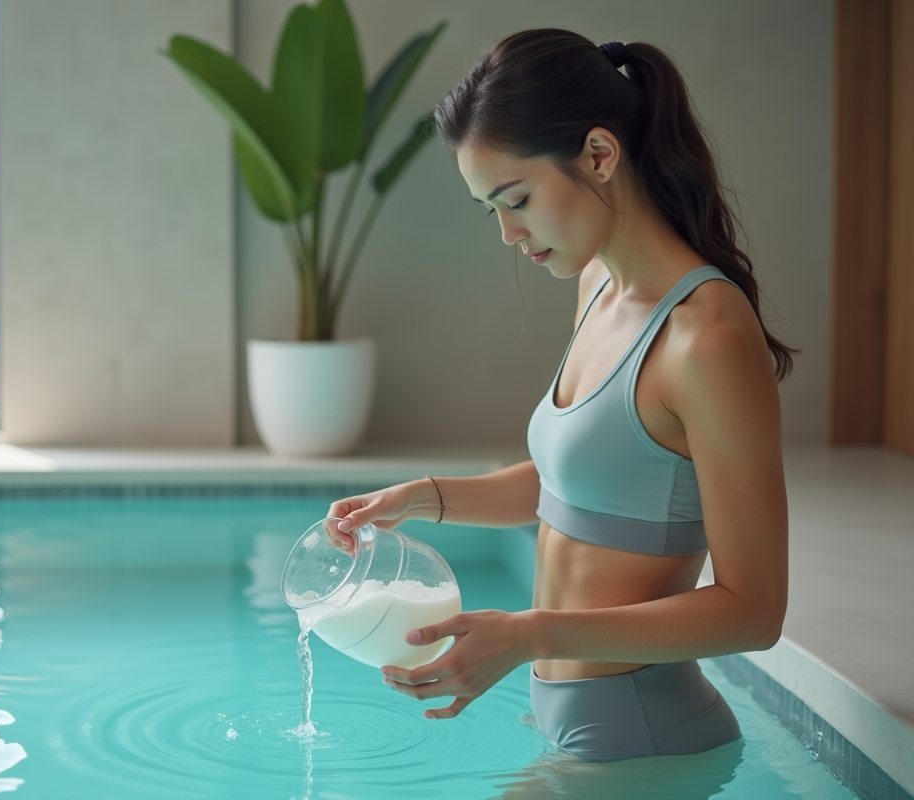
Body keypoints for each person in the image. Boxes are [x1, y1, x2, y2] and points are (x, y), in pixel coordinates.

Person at [327, 28, 792, 762]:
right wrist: (416, 497)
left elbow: (754, 613)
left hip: (644, 733)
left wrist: (532, 633)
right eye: (492, 209)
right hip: (578, 723)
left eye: (516, 199)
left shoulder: (707, 340)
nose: (509, 233)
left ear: (599, 156)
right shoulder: (597, 284)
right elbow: (573, 485)